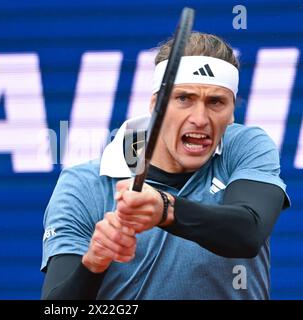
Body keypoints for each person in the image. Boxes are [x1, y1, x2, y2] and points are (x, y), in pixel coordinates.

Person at [40, 32, 290, 299]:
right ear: (155, 105)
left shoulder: (244, 146)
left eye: (215, 102)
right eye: (184, 98)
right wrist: (93, 263)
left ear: (231, 113)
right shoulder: (84, 184)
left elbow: (248, 232)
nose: (200, 118)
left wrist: (164, 210)